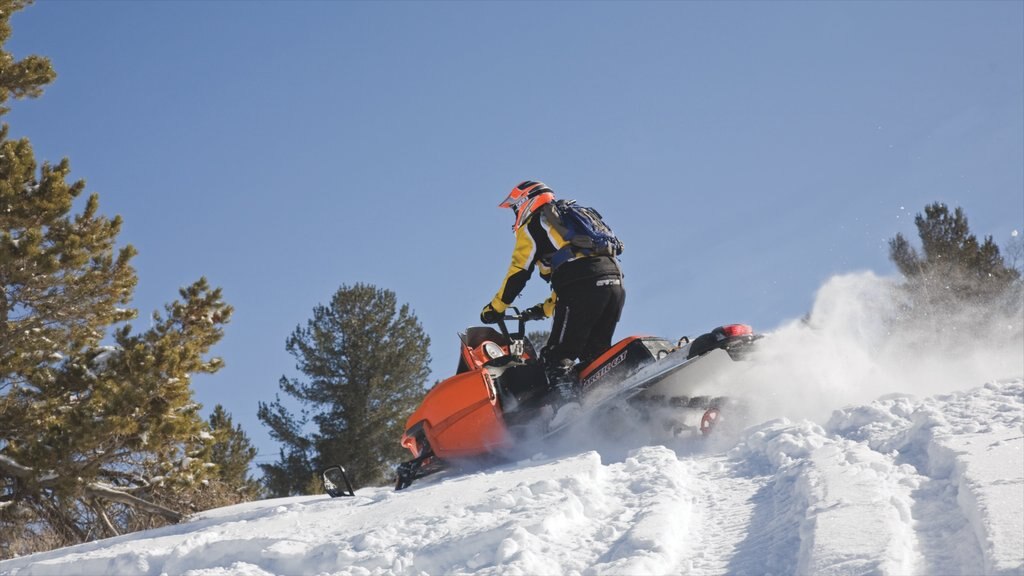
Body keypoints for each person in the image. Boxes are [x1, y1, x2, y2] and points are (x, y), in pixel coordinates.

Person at [480, 180, 625, 404]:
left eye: (515, 208)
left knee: (556, 357)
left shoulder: (533, 225)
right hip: (613, 279)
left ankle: (568, 411)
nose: (516, 214)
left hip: (581, 285)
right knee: (595, 355)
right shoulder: (568, 222)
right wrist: (544, 309)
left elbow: (518, 272)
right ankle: (614, 399)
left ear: (526, 202)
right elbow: (574, 272)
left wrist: (495, 308)